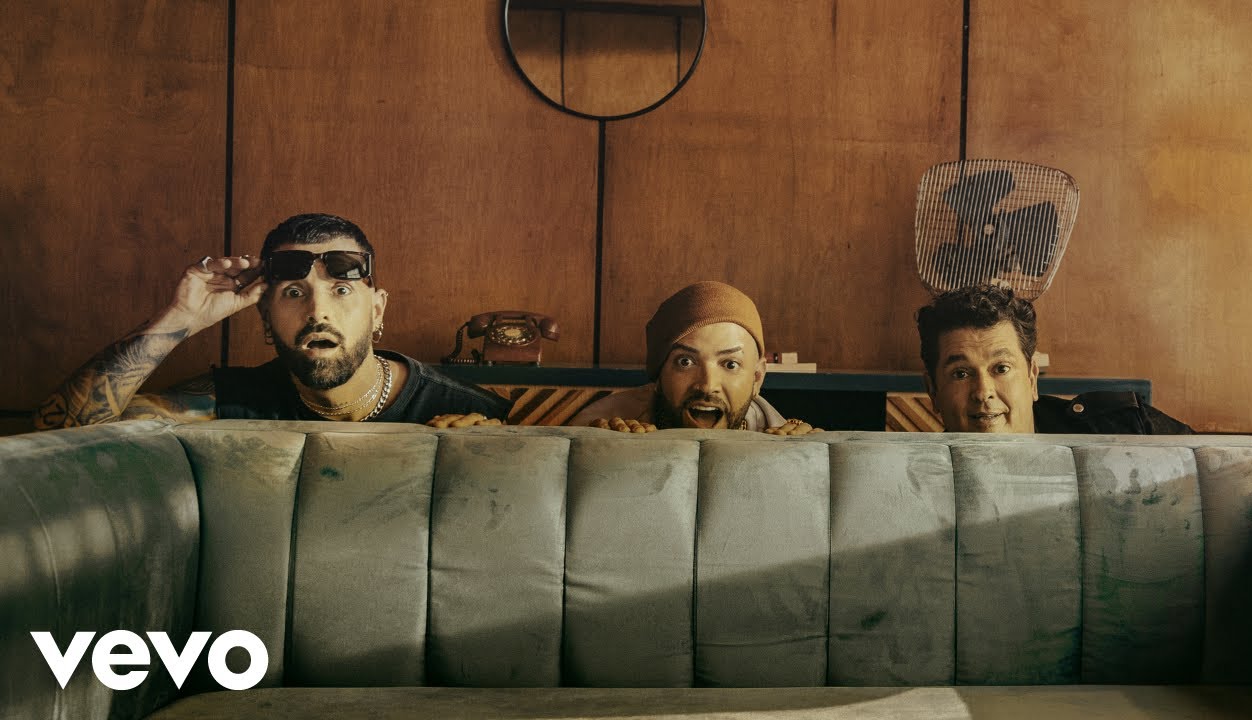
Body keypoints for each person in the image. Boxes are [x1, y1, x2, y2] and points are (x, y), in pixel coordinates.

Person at [33, 213, 510, 429]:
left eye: (341, 290)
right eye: (294, 293)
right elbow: (64, 434)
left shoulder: (466, 412)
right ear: (264, 318)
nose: (317, 311)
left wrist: (493, 452)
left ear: (378, 309)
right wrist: (181, 318)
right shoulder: (232, 401)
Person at [915, 285, 1194, 434]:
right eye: (961, 374)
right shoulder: (913, 488)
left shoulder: (1127, 429)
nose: (983, 392)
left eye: (1001, 368)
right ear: (933, 391)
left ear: (1032, 378)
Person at [568, 280, 818, 435]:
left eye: (730, 364)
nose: (707, 385)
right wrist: (600, 449)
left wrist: (810, 453)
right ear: (658, 375)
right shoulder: (606, 426)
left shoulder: (783, 439)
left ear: (757, 378)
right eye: (685, 362)